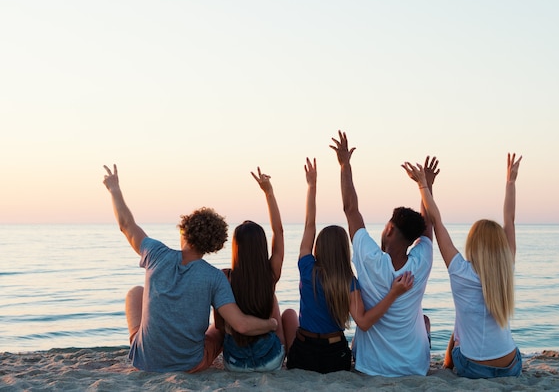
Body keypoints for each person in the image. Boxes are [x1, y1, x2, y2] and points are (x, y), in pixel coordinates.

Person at [102, 164, 277, 373]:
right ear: (214, 246)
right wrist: (271, 324)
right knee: (219, 329)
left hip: (146, 361)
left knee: (134, 293)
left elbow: (126, 225)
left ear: (184, 230)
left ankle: (139, 345)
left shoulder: (155, 253)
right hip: (190, 365)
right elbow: (241, 325)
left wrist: (114, 189)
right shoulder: (215, 277)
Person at [286, 157, 414, 374]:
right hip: (334, 356)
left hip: (304, 354)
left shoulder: (306, 267)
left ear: (319, 247)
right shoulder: (350, 282)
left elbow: (309, 224)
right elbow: (363, 323)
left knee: (288, 316)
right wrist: (393, 294)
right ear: (344, 250)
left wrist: (312, 186)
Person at [401, 153, 523, 379]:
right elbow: (510, 220)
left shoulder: (461, 271)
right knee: (462, 320)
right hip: (511, 364)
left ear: (474, 245)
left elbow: (436, 221)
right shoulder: (507, 267)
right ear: (499, 245)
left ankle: (447, 365)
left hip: (474, 368)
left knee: (460, 327)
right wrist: (510, 182)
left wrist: (423, 186)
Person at [329, 131, 436, 377]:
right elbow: (427, 226)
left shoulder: (369, 259)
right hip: (415, 367)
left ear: (389, 230)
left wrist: (345, 165)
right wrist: (425, 186)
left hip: (372, 368)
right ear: (412, 240)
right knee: (424, 319)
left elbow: (350, 209)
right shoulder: (422, 261)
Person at [213, 168, 298, 372]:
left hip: (235, 363)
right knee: (286, 312)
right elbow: (279, 231)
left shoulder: (223, 277)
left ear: (236, 248)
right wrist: (268, 192)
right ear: (262, 246)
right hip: (270, 359)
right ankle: (290, 359)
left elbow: (219, 326)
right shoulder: (270, 274)